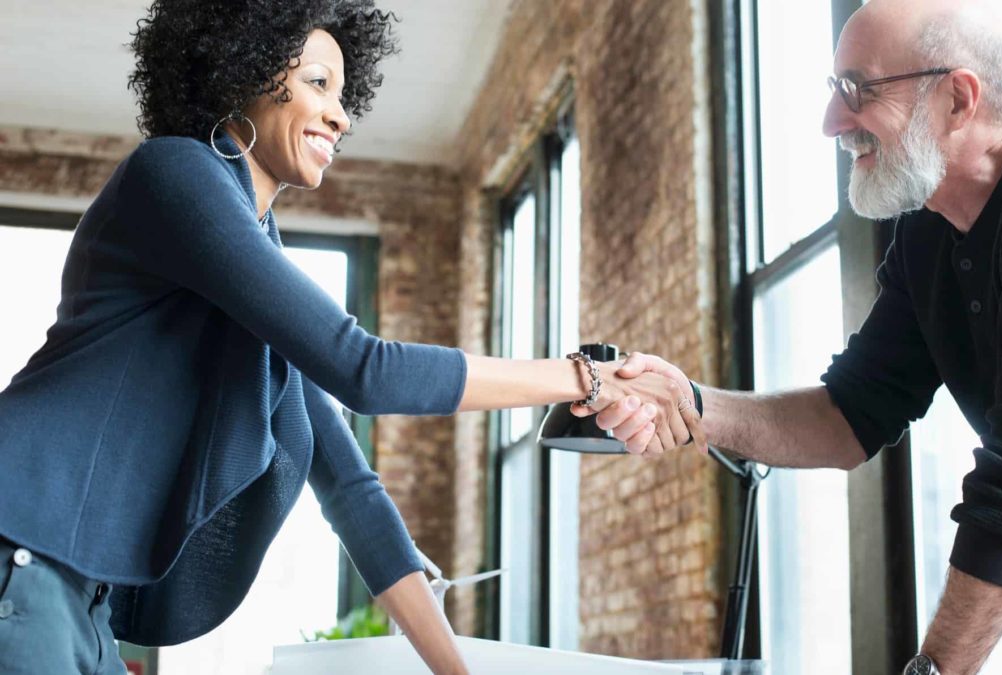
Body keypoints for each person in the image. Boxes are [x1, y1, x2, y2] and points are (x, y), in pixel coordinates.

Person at [0, 2, 701, 673]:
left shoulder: (248, 261)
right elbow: (364, 368)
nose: (342, 114)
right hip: (20, 554)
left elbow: (351, 489)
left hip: (77, 597)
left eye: (344, 91)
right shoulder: (177, 173)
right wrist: (587, 376)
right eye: (317, 84)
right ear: (244, 74)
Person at [603, 0, 1002, 673]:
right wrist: (692, 403)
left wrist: (933, 670)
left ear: (956, 99)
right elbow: (848, 414)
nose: (832, 122)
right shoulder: (928, 237)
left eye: (857, 90)